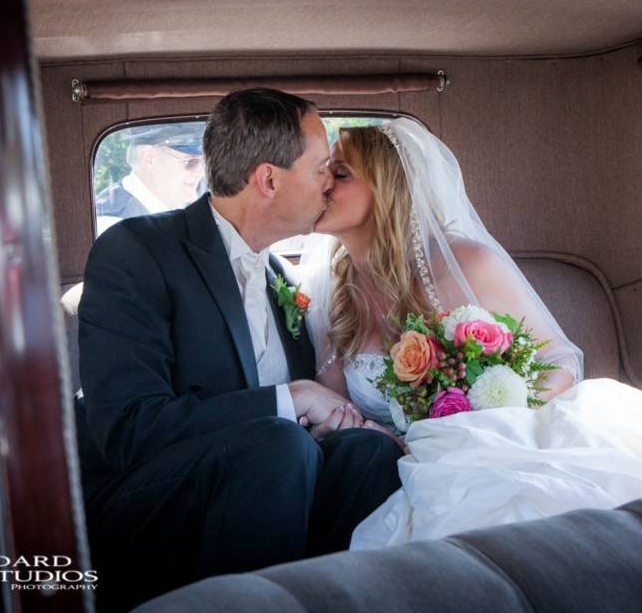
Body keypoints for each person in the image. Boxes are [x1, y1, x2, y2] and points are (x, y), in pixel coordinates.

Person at [300, 118, 642, 549]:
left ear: (388, 189)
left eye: (339, 174)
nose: (321, 186)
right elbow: (340, 413)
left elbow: (560, 362)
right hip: (411, 466)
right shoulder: (332, 292)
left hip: (505, 442)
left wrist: (492, 410)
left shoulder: (467, 263)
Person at [77, 88, 403, 611]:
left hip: (260, 494)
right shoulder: (138, 252)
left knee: (369, 454)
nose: (330, 181)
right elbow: (128, 430)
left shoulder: (279, 275)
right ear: (268, 180)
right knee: (279, 444)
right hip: (144, 503)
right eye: (321, 166)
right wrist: (291, 398)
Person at [94, 123, 207, 235]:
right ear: (149, 158)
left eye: (203, 162)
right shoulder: (113, 226)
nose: (201, 172)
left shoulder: (184, 209)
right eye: (190, 162)